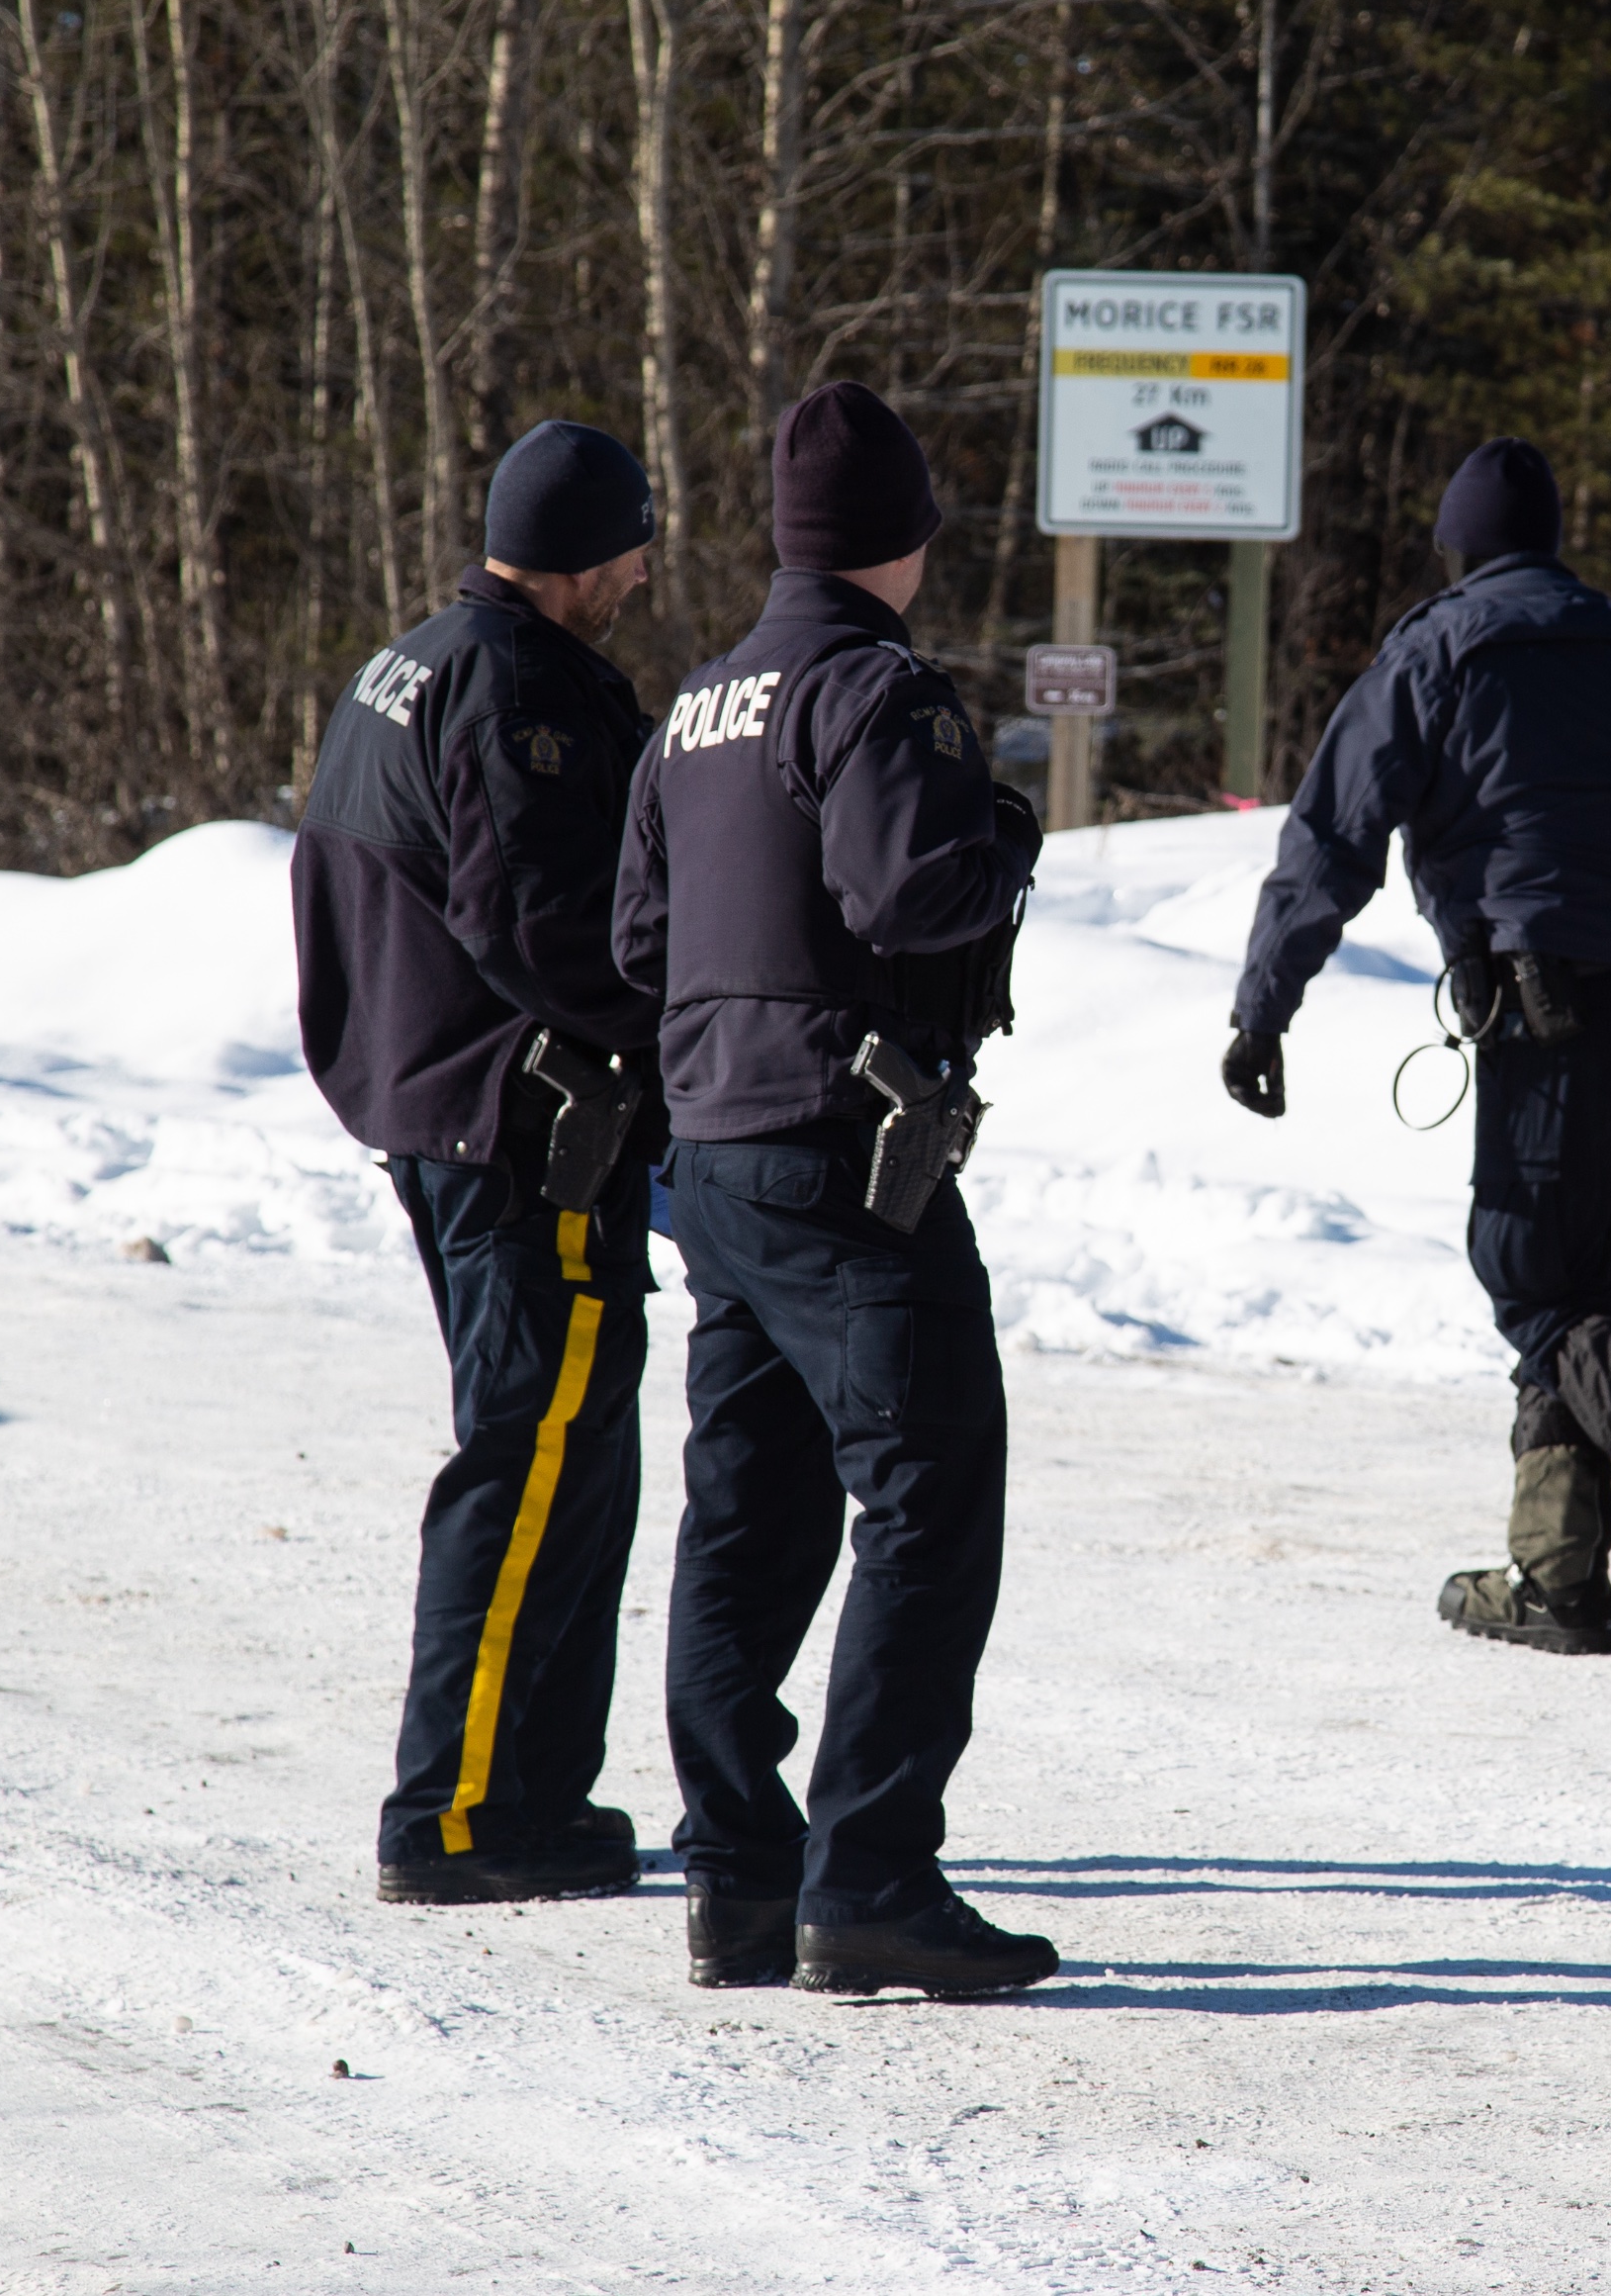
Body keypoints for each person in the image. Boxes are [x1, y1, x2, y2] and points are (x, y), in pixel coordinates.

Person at [1219, 437, 1611, 1662]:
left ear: (1457, 545)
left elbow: (1328, 841)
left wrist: (1263, 1005)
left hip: (1552, 1011)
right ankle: (1559, 1577)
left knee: (1532, 1283)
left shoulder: (1437, 652)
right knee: (1573, 1298)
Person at [613, 381, 1055, 1996]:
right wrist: (1001, 826)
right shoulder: (877, 691)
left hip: (717, 1157)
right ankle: (867, 1876)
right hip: (846, 1158)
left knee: (749, 1509)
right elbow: (914, 890)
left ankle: (738, 1881)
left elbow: (636, 946)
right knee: (931, 1488)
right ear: (906, 539)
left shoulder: (698, 705)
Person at [293, 419, 667, 1905]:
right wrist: (669, 1029)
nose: (646, 571)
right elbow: (547, 924)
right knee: (528, 1461)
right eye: (638, 544)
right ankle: (451, 1812)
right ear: (586, 554)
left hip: (437, 1107)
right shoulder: (521, 691)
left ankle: (535, 1791)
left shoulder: (410, 661)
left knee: (576, 1453)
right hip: (522, 1134)